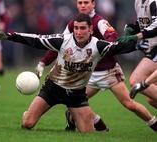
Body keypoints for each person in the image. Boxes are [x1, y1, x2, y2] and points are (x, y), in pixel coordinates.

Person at [0, 13, 151, 132]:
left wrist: (139, 40)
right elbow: (36, 39)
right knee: (27, 124)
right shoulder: (62, 40)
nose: (78, 32)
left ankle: (78, 118)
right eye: (76, 28)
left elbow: (121, 46)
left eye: (82, 28)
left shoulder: (98, 46)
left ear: (90, 29)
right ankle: (30, 112)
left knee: (87, 134)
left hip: (76, 94)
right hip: (52, 88)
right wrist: (9, 36)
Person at [36, 0, 157, 132]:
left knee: (129, 104)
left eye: (86, 2)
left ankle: (154, 124)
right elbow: (59, 45)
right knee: (72, 101)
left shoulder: (100, 21)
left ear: (93, 4)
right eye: (80, 2)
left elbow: (112, 37)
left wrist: (102, 46)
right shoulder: (73, 24)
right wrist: (43, 62)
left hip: (109, 71)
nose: (83, 5)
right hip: (89, 74)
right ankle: (101, 128)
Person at [124, 0, 157, 109]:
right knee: (152, 100)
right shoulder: (138, 2)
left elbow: (156, 26)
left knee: (136, 80)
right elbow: (143, 24)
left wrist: (137, 36)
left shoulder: (154, 2)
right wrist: (132, 27)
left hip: (155, 48)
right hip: (150, 48)